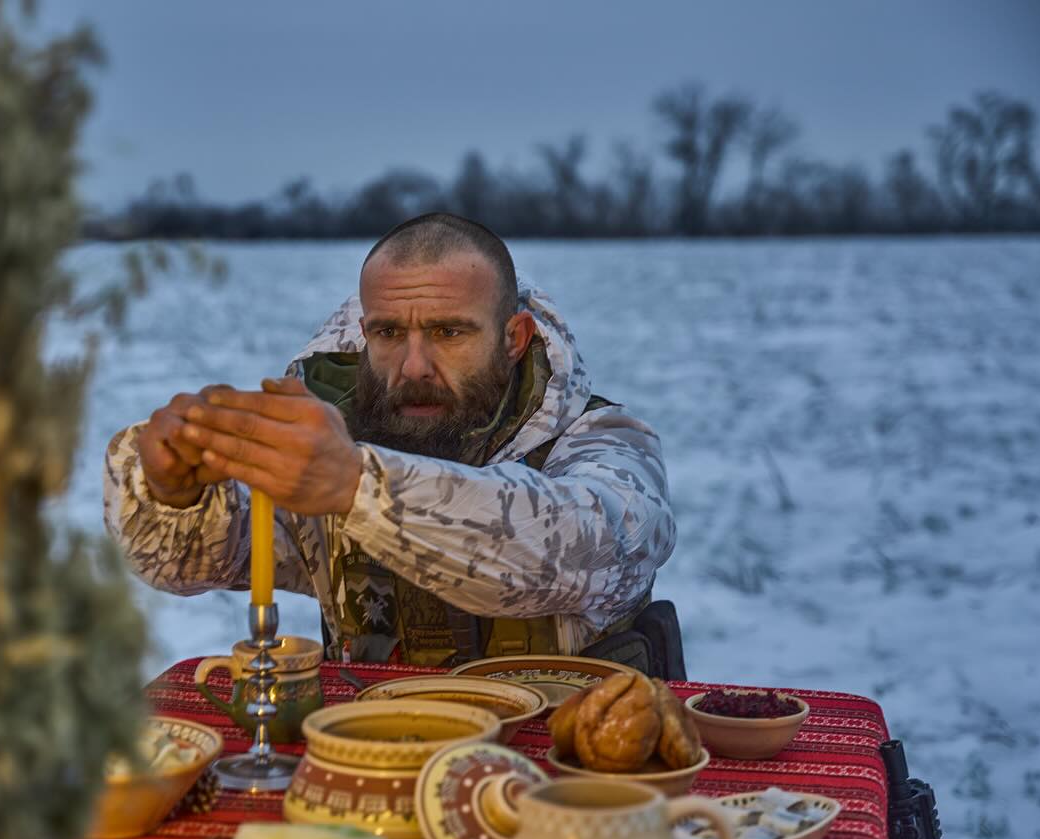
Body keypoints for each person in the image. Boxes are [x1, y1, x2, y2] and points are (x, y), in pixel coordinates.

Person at [103, 213, 676, 668]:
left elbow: (581, 544)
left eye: (448, 332)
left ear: (514, 339)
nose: (413, 365)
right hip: (372, 754)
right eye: (388, 332)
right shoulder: (345, 431)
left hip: (564, 765)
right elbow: (202, 560)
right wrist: (172, 492)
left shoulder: (602, 442)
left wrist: (358, 487)